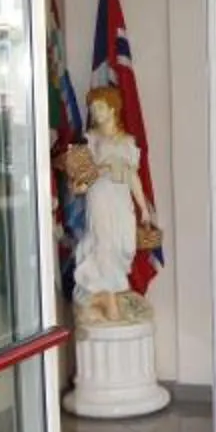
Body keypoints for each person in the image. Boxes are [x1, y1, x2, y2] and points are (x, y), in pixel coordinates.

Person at [66, 86, 154, 313]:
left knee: (124, 244)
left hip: (121, 198)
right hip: (100, 196)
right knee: (104, 243)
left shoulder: (127, 141)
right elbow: (78, 185)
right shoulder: (88, 140)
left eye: (100, 107)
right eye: (93, 108)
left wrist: (143, 207)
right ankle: (107, 298)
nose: (95, 112)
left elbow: (133, 176)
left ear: (113, 108)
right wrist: (101, 167)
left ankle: (109, 294)